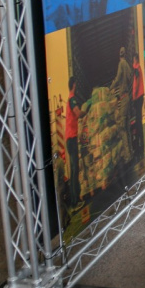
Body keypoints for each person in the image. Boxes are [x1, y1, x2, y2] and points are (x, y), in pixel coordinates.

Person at [65, 76, 89, 207]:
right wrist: (86, 111)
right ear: (74, 84)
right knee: (75, 169)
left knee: (74, 169)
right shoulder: (72, 99)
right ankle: (75, 201)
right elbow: (78, 113)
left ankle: (75, 199)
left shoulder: (70, 99)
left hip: (71, 138)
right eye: (76, 84)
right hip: (71, 138)